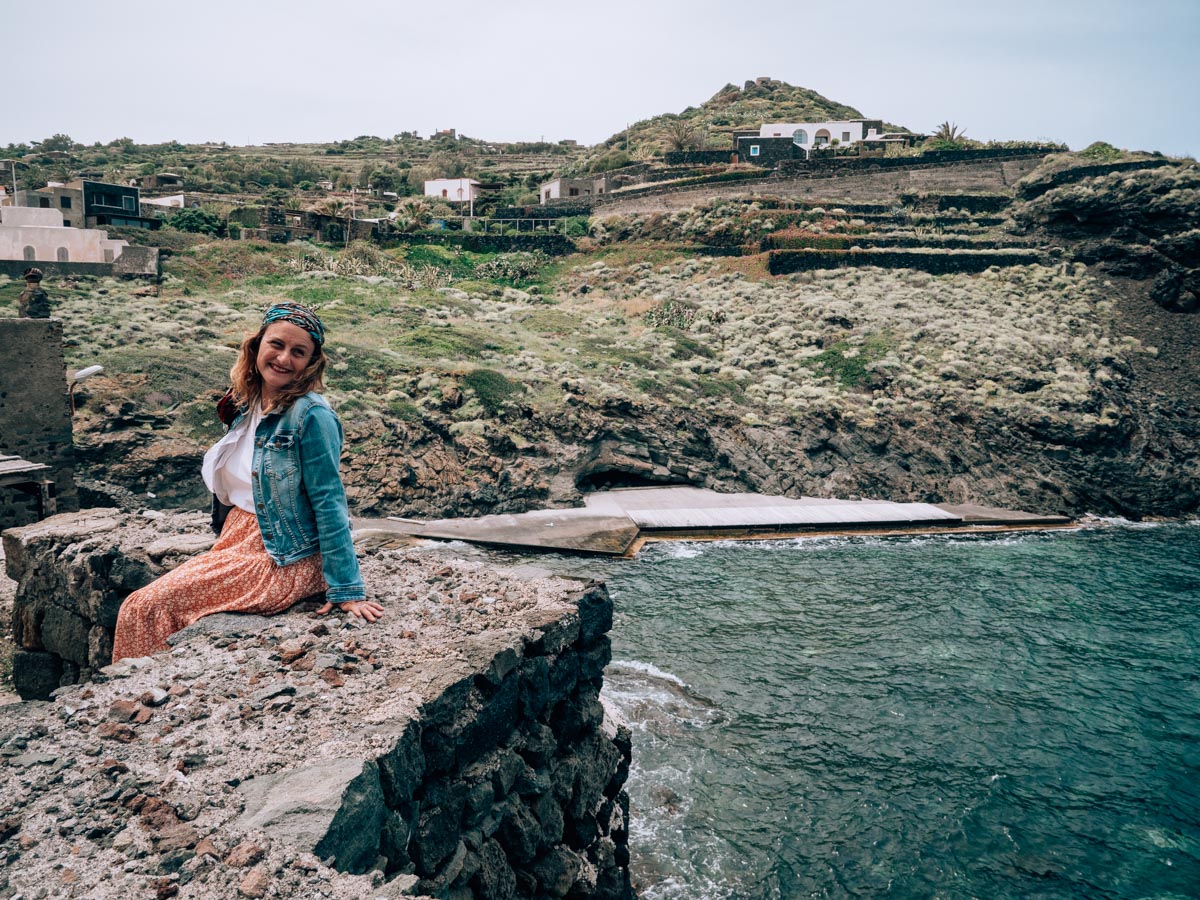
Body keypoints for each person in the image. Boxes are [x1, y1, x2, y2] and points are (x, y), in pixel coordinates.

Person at [112, 302, 383, 662]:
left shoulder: (311, 415)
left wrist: (346, 589)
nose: (284, 358)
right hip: (236, 539)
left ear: (310, 363)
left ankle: (139, 686)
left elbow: (329, 501)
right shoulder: (244, 402)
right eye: (277, 344)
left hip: (284, 557)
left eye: (298, 352)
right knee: (153, 608)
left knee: (143, 607)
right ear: (256, 346)